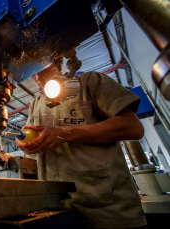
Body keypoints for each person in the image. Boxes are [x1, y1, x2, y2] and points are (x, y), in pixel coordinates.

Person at [16, 59, 147, 229]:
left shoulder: (89, 82)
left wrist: (65, 133)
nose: (36, 77)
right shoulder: (35, 104)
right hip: (57, 214)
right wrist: (27, 144)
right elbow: (39, 147)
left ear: (56, 60)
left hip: (108, 215)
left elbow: (133, 127)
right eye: (31, 73)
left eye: (40, 68)